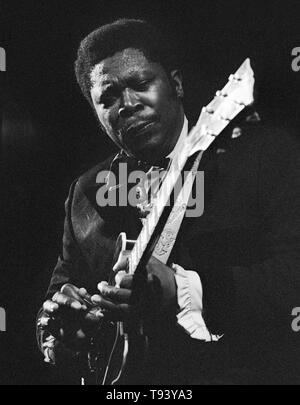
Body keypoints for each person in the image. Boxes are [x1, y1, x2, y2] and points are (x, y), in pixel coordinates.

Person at [37, 18, 300, 385]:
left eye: (141, 84)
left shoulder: (263, 158)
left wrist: (186, 290)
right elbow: (58, 298)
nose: (127, 105)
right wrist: (60, 334)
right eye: (108, 99)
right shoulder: (87, 192)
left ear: (175, 84)